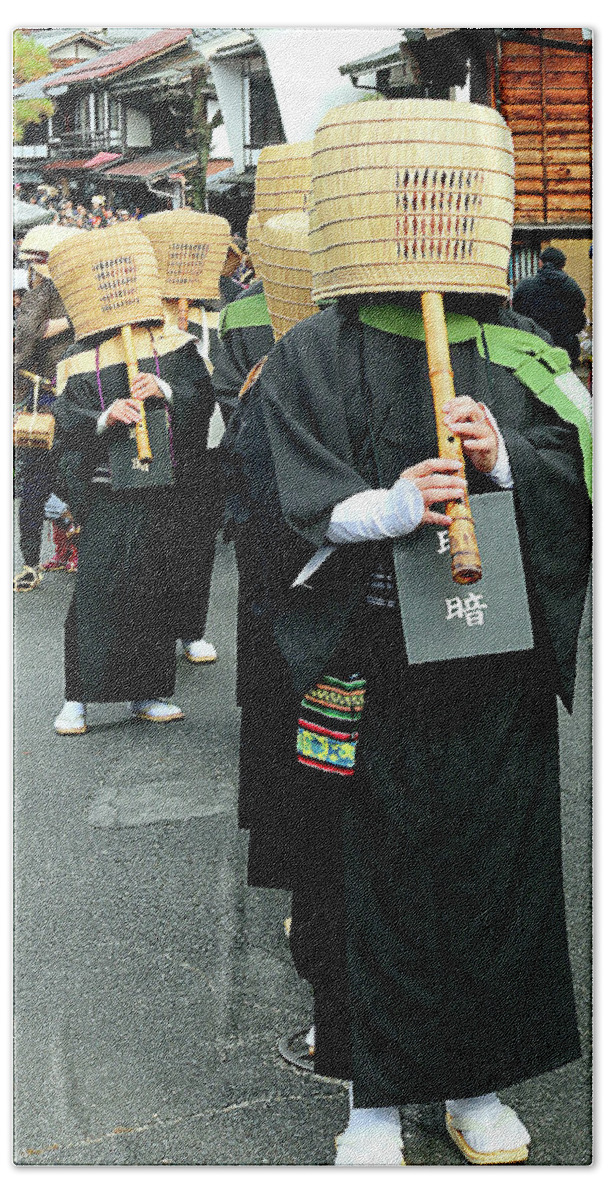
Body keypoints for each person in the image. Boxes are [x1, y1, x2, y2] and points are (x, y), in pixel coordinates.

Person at [248, 99, 591, 1166]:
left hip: (487, 668)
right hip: (365, 658)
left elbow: (569, 479)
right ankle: (370, 1097)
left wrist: (504, 465)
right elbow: (273, 497)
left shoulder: (521, 347)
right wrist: (383, 508)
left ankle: (473, 1082)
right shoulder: (310, 349)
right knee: (366, 875)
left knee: (493, 868)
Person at [50, 225, 218, 735]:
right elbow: (67, 429)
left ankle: (147, 692)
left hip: (166, 490)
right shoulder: (79, 362)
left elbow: (203, 400)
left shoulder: (177, 346)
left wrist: (165, 388)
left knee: (153, 589)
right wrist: (105, 418)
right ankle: (78, 697)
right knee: (97, 593)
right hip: (106, 496)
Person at [13, 225, 79, 591]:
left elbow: (21, 344)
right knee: (80, 474)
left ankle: (29, 564)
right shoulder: (88, 295)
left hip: (44, 401)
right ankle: (79, 545)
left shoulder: (41, 295)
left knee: (35, 483)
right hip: (85, 396)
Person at [512, 246, 587, 367]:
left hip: (533, 348)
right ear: (562, 265)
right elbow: (579, 316)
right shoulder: (572, 286)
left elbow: (516, 316)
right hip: (564, 349)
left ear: (541, 262)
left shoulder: (525, 286)